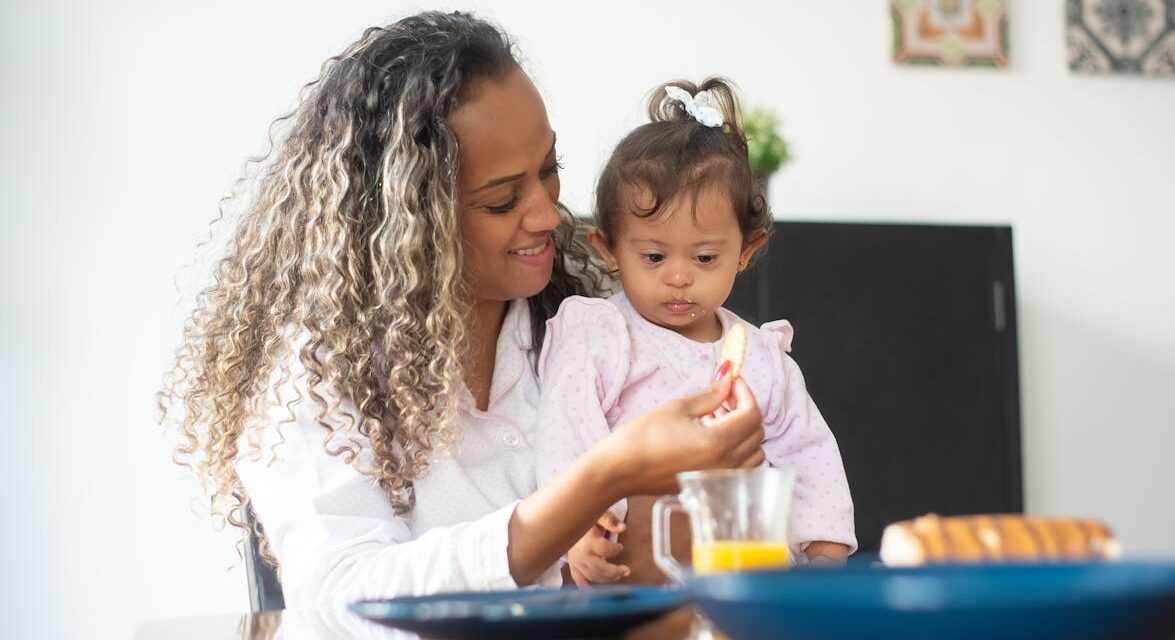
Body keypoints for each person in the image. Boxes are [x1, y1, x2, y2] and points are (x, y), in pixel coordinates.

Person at [158, 11, 764, 607]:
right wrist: (602, 478)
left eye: (549, 171)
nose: (549, 215)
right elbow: (338, 601)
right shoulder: (316, 376)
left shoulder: (594, 324)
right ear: (409, 222)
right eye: (503, 201)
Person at [533, 79, 856, 586]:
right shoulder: (599, 335)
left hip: (750, 583)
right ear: (608, 248)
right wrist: (576, 531)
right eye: (654, 256)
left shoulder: (762, 355)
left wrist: (825, 553)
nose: (679, 276)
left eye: (705, 257)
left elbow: (808, 452)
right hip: (637, 577)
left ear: (746, 250)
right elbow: (565, 438)